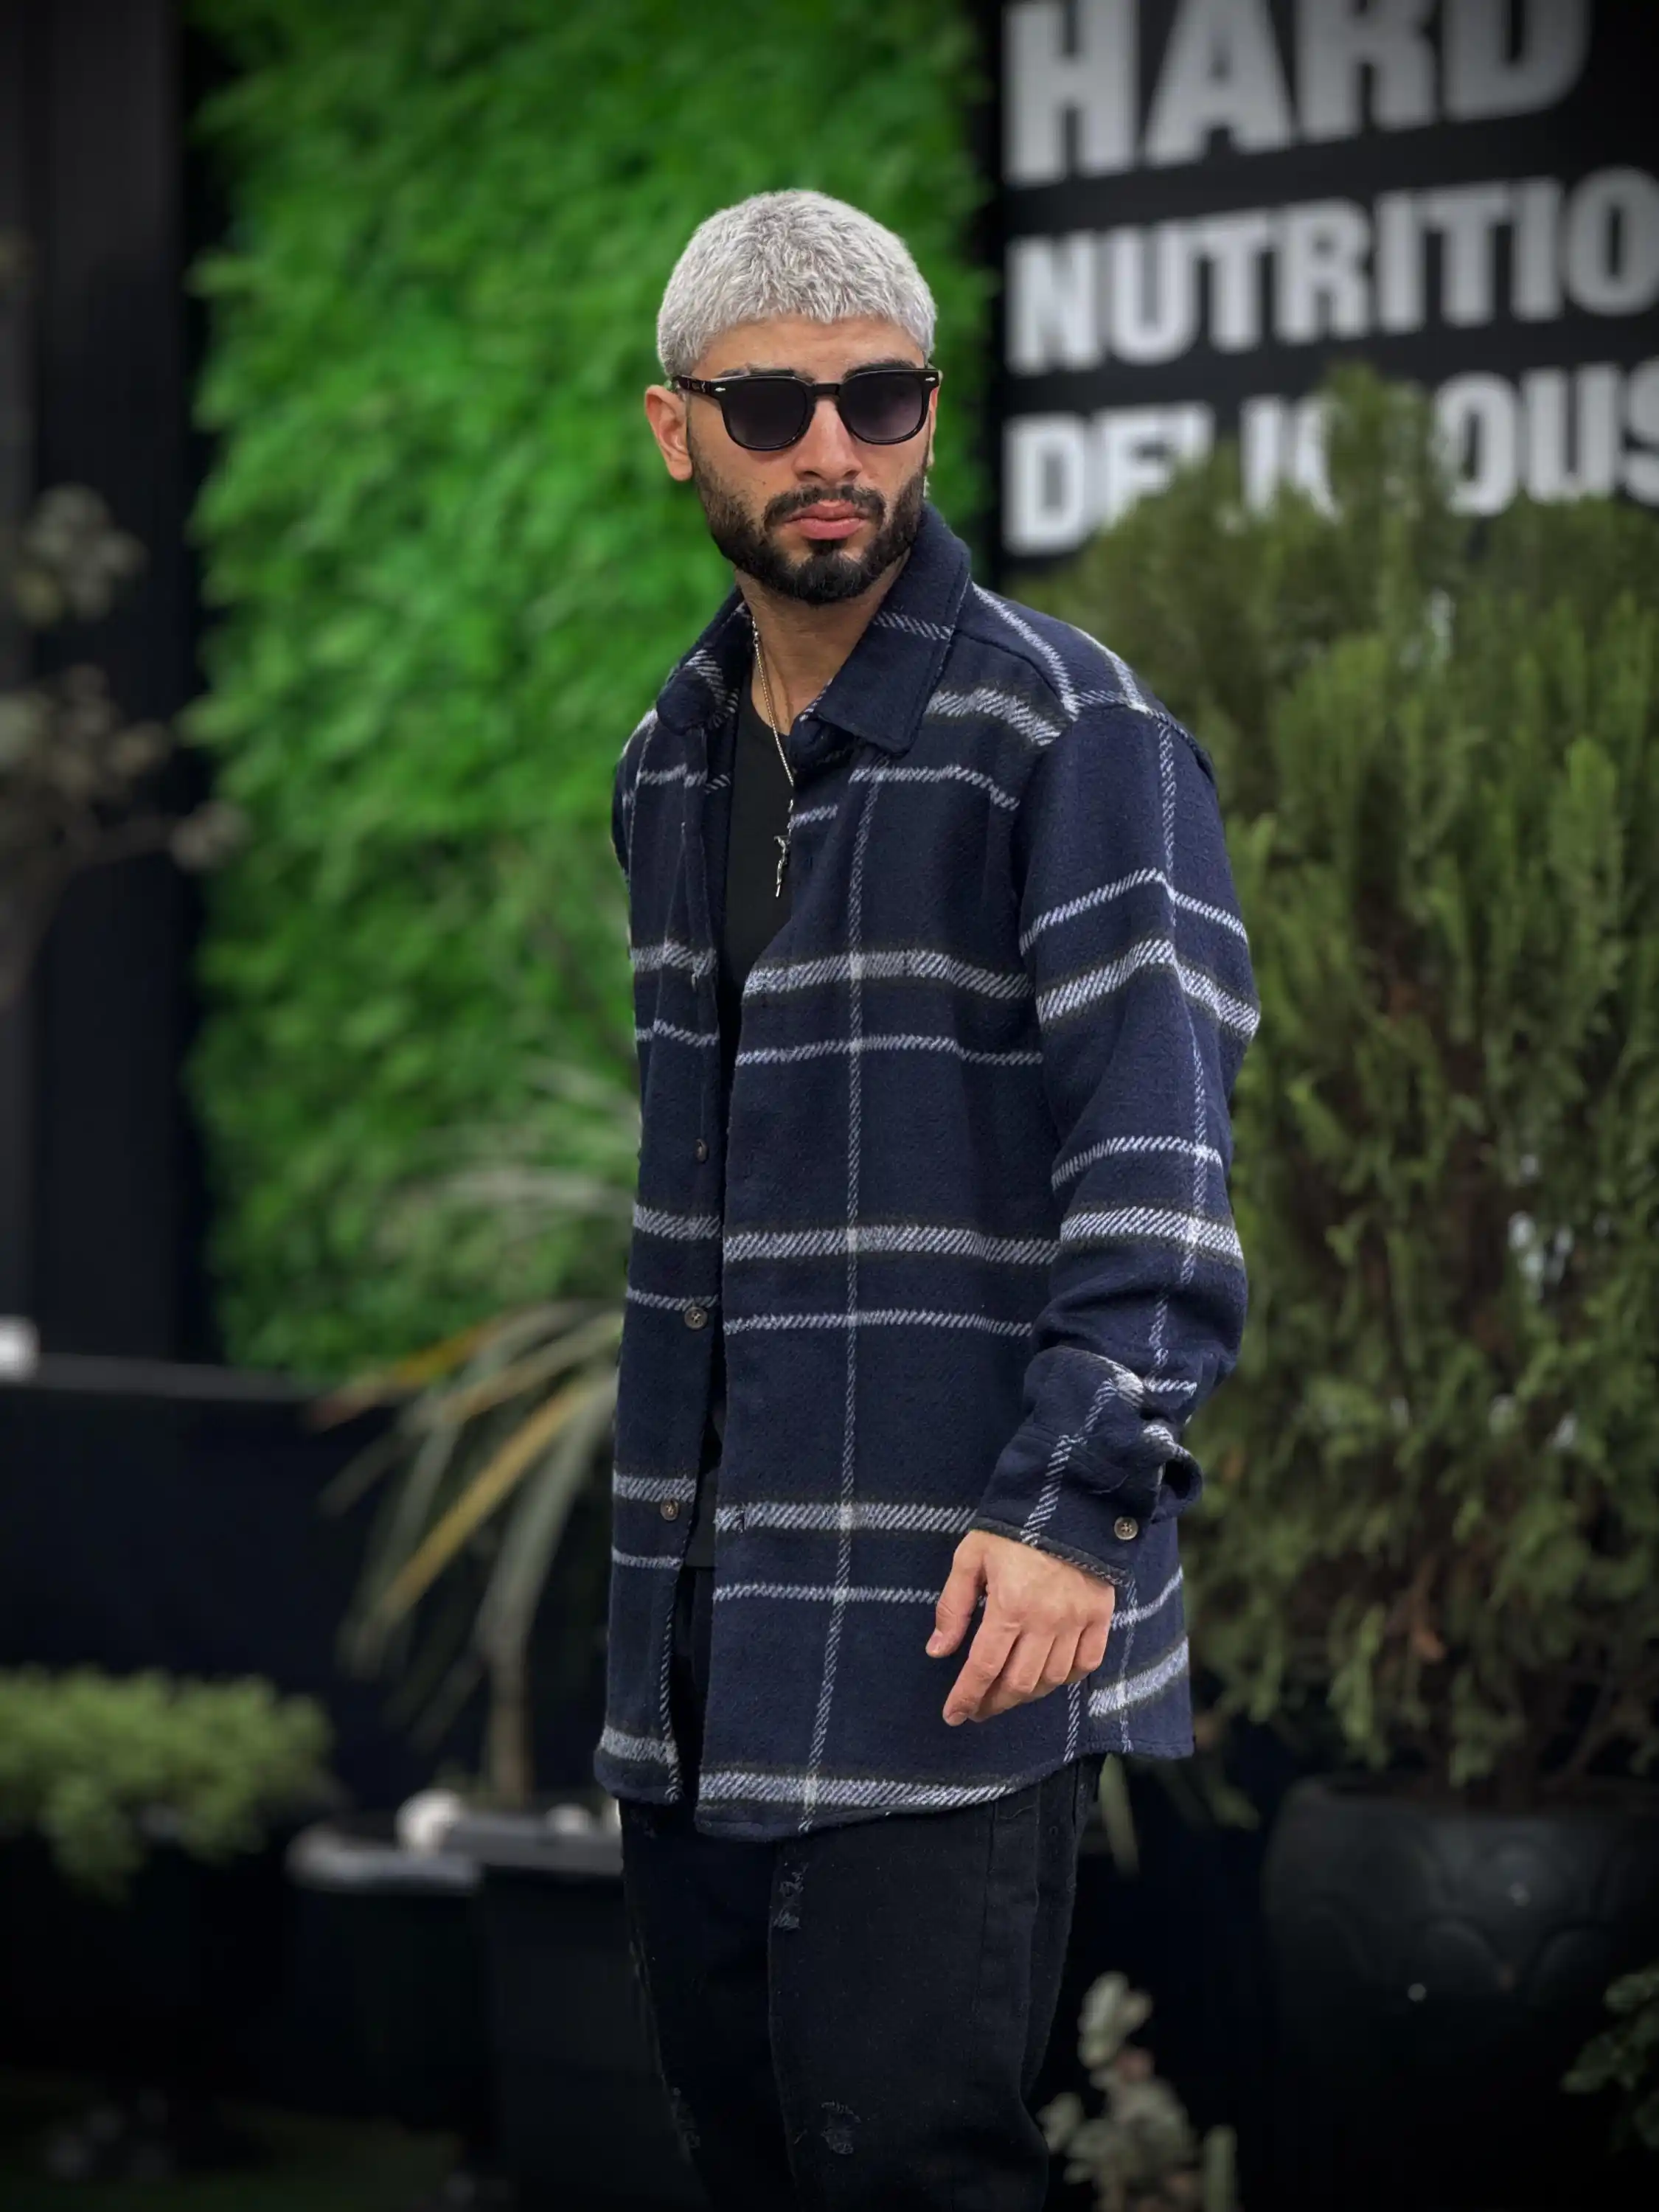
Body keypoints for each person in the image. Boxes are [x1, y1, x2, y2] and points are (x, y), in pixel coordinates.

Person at [597, 188, 1257, 2210]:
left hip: (956, 1616)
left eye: (878, 398)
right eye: (773, 405)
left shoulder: (1072, 731)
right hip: (696, 1636)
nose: (833, 448)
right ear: (677, 430)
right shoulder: (668, 764)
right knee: (743, 2165)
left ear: (930, 415)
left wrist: (1076, 1511)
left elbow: (1163, 1175)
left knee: (916, 2175)